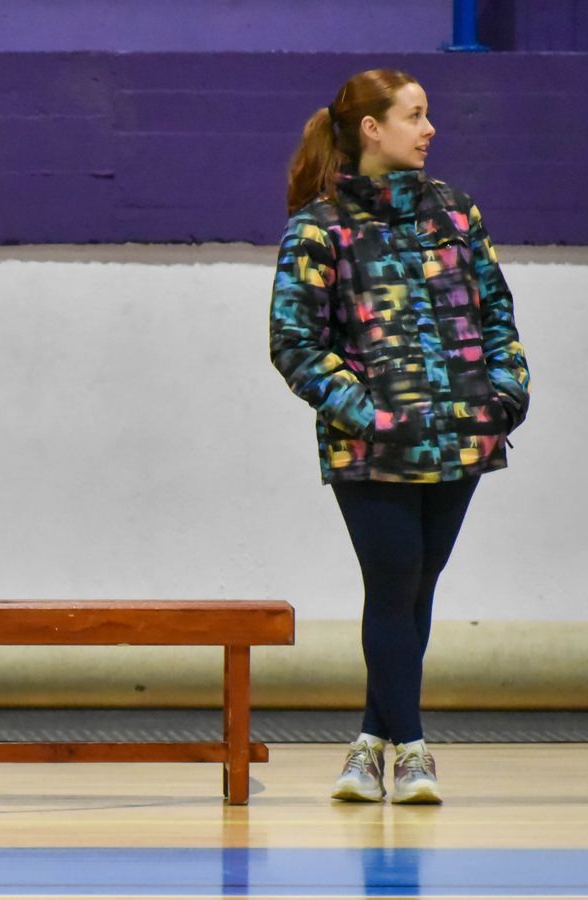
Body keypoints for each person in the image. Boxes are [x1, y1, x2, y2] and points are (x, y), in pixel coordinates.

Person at [270, 70, 529, 804]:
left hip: (461, 440)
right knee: (392, 588)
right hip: (371, 451)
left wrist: (507, 393)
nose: (431, 129)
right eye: (415, 116)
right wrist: (371, 414)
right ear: (370, 129)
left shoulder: (457, 212)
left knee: (417, 592)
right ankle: (413, 752)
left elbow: (497, 313)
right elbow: (294, 342)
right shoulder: (319, 228)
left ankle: (365, 746)